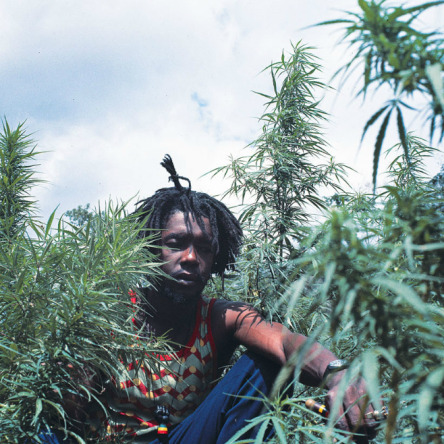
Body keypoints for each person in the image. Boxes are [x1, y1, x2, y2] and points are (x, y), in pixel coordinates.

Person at [48, 155, 380, 443]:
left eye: (204, 247)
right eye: (176, 243)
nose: (191, 257)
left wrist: (338, 374)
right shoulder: (111, 313)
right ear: (149, 250)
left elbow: (283, 341)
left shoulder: (219, 319)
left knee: (265, 364)